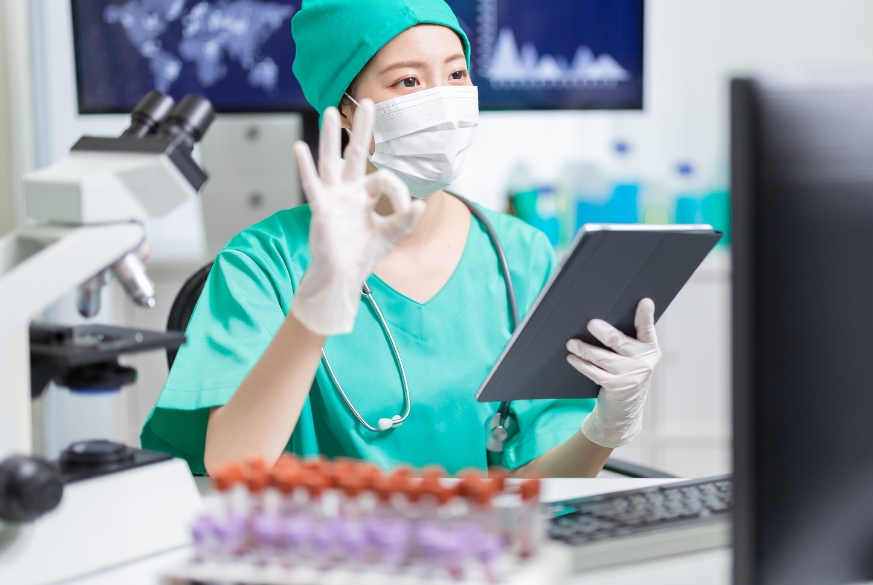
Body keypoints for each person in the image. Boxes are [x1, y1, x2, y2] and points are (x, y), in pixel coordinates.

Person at [141, 0, 662, 478]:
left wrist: (604, 429)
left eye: (456, 74)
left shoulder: (519, 255)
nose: (442, 100)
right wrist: (315, 309)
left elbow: (534, 488)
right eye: (408, 82)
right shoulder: (262, 263)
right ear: (345, 109)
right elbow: (232, 466)